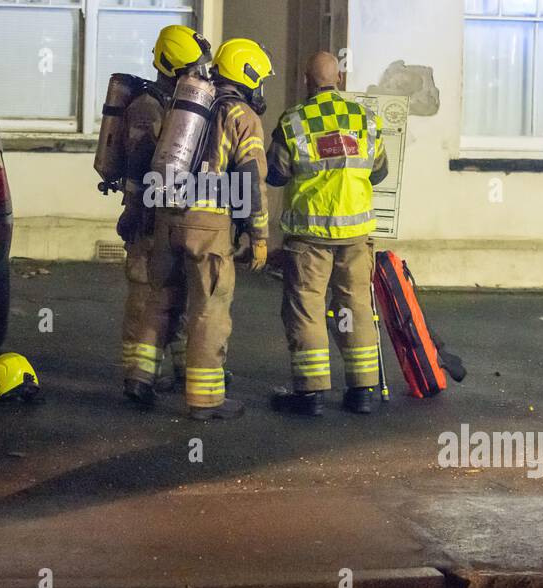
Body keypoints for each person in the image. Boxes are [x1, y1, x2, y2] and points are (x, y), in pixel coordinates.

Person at [132, 38, 273, 421]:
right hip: (207, 229)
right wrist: (258, 235)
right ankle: (205, 400)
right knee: (209, 310)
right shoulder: (241, 116)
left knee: (162, 299)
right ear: (246, 75)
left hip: (166, 219)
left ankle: (139, 377)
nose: (260, 89)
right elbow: (250, 180)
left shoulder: (188, 103)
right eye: (259, 80)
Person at [267, 51, 388, 416]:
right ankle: (364, 391)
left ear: (307, 80)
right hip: (355, 237)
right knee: (356, 308)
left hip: (310, 237)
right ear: (340, 79)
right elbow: (378, 173)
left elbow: (275, 173)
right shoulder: (366, 120)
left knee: (307, 309)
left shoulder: (293, 122)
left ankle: (311, 394)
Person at [117, 25, 210, 408]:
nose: (199, 75)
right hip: (146, 218)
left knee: (180, 294)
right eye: (192, 68)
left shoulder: (180, 103)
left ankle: (184, 368)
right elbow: (139, 164)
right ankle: (136, 375)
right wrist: (136, 211)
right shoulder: (146, 107)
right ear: (172, 66)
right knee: (144, 295)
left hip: (173, 215)